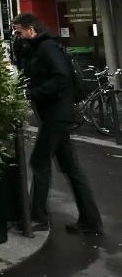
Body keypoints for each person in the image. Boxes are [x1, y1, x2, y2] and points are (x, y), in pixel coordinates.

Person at [13, 13, 103, 235]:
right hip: (55, 115)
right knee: (72, 169)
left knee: (39, 161)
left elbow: (61, 78)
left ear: (31, 29)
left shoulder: (48, 48)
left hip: (57, 115)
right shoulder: (37, 48)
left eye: (19, 31)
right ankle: (90, 220)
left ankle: (38, 217)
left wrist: (32, 93)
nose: (17, 35)